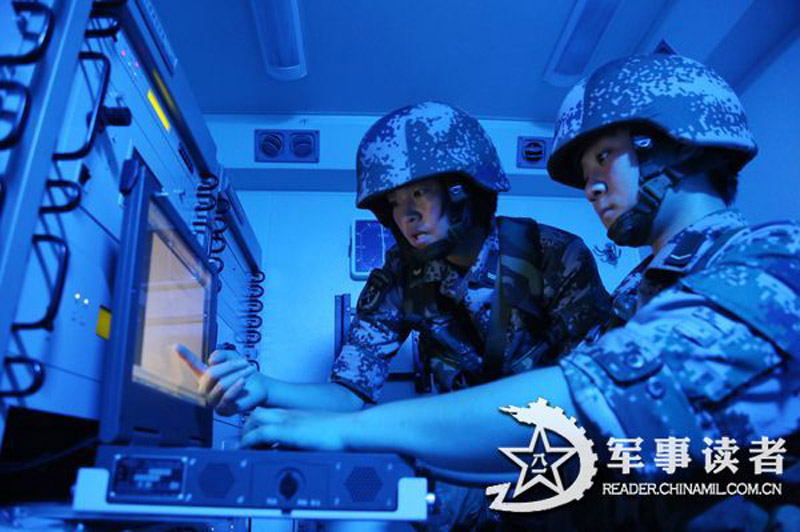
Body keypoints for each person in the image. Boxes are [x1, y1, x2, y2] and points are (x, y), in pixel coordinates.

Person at [239, 56, 799, 531]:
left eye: (603, 157)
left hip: (673, 501)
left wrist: (349, 433)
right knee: (368, 497)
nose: (591, 185)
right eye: (585, 171)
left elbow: (588, 401)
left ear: (674, 144)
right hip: (567, 480)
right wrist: (284, 401)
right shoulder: (641, 286)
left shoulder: (773, 258)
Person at [178, 101, 611, 529]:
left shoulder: (553, 256)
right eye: (394, 201)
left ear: (463, 192)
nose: (406, 215)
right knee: (357, 496)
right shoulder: (400, 278)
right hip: (457, 453)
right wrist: (262, 386)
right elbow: (348, 395)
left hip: (552, 450)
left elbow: (593, 400)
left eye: (420, 193)